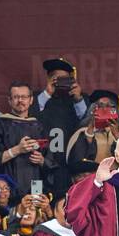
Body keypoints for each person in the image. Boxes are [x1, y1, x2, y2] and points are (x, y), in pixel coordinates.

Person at [0, 82, 47, 197]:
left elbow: (49, 159)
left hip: (35, 186)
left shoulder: (39, 126)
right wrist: (17, 150)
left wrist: (42, 160)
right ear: (9, 100)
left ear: (31, 100)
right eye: (16, 97)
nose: (20, 100)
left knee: (34, 210)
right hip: (6, 189)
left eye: (24, 97)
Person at [34, 58, 82, 198]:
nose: (61, 83)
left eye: (65, 80)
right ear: (49, 79)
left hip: (67, 164)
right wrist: (48, 93)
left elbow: (87, 123)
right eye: (56, 79)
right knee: (38, 199)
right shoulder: (37, 99)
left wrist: (78, 99)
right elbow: (29, 116)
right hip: (40, 165)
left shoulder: (77, 100)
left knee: (66, 201)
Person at [66, 90, 119, 179]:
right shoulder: (82, 133)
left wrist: (116, 134)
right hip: (91, 180)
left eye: (109, 106)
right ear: (93, 110)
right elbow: (77, 160)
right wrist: (90, 129)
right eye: (100, 106)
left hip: (116, 180)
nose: (105, 109)